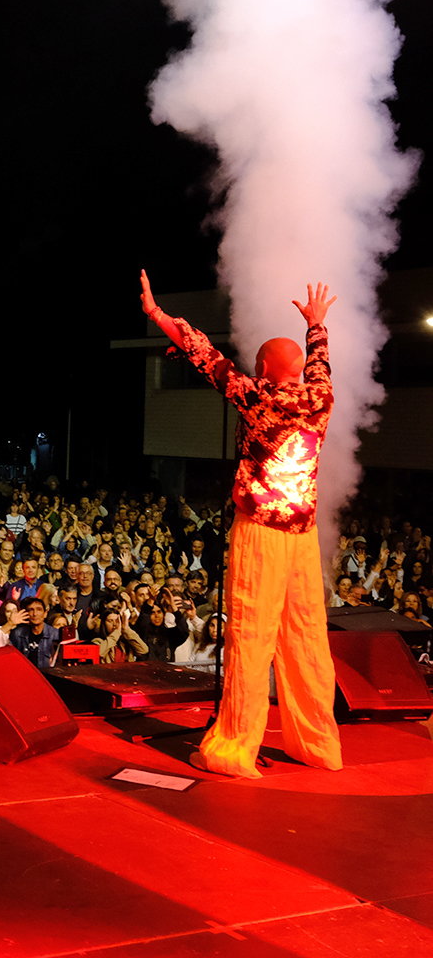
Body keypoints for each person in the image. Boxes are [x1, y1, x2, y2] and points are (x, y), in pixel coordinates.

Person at [142, 273, 342, 779]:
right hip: (303, 532)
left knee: (251, 638)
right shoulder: (320, 399)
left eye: (257, 363)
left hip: (260, 530)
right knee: (306, 637)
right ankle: (318, 744)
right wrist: (316, 326)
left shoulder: (256, 395)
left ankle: (234, 749)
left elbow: (208, 358)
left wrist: (160, 316)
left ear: (265, 368)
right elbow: (319, 365)